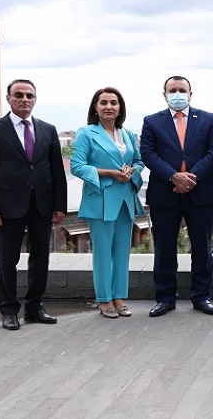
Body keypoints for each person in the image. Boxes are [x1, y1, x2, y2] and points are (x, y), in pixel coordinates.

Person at [0, 79, 67, 330]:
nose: (24, 99)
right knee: (7, 259)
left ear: (35, 99)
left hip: (41, 206)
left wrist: (59, 206)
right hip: (6, 209)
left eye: (29, 95)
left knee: (41, 258)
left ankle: (35, 308)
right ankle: (8, 311)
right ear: (9, 98)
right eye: (19, 95)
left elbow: (57, 171)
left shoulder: (48, 130)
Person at [141, 76, 213, 316]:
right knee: (164, 248)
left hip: (201, 192)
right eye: (172, 90)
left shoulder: (207, 119)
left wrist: (191, 177)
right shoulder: (152, 121)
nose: (177, 94)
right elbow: (147, 153)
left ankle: (201, 296)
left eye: (182, 90)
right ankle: (166, 298)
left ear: (191, 93)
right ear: (164, 94)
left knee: (202, 247)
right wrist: (173, 176)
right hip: (164, 193)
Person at [70, 87, 145, 319]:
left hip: (125, 200)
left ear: (120, 107)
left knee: (122, 252)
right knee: (103, 253)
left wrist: (132, 170)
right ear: (96, 107)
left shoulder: (128, 134)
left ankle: (119, 296)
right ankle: (104, 299)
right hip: (100, 201)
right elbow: (77, 166)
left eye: (114, 102)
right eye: (103, 102)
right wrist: (109, 173)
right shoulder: (86, 133)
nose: (109, 106)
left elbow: (139, 161)